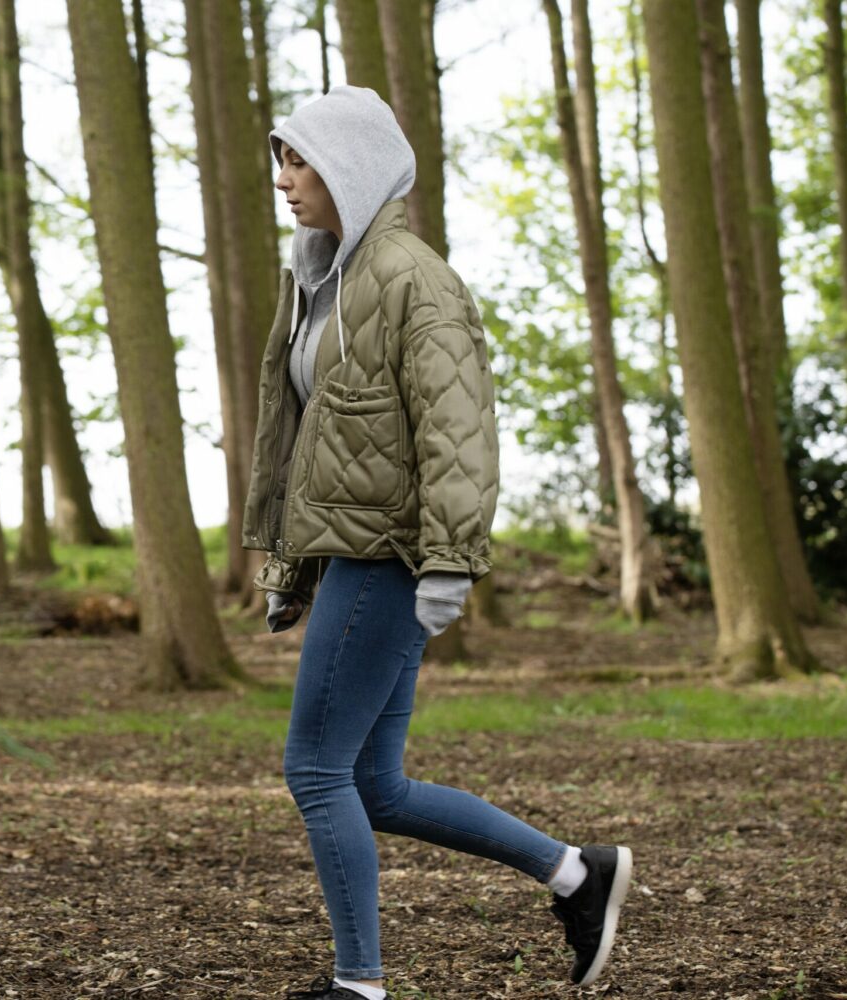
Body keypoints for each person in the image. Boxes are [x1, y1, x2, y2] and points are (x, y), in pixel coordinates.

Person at [241, 87, 634, 1000]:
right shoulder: (319, 278)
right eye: (281, 159)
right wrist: (288, 565)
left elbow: (458, 430)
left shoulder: (416, 280)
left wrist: (453, 561)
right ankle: (580, 875)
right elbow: (315, 443)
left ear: (351, 165)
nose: (283, 179)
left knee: (314, 768)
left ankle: (359, 985)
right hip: (351, 551)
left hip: (392, 559)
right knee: (375, 785)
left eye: (298, 160)